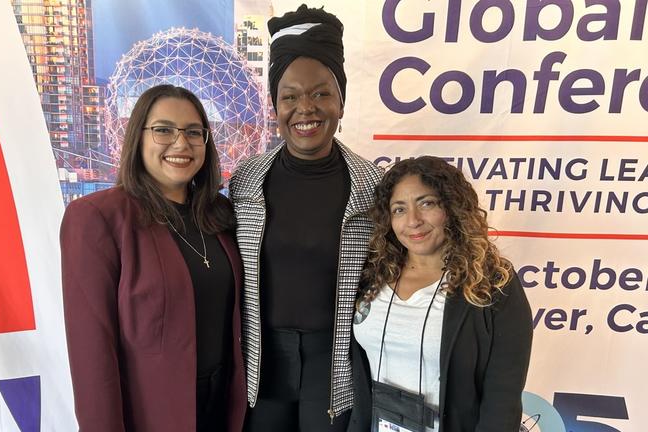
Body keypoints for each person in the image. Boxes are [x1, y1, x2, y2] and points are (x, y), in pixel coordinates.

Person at [229, 5, 383, 431]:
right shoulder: (246, 181)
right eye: (290, 96)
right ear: (275, 106)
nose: (305, 108)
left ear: (341, 101)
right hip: (261, 364)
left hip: (334, 363)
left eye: (320, 93)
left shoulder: (374, 186)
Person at [60, 84, 246, 432]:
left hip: (221, 408)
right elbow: (92, 355)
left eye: (194, 132)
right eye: (163, 130)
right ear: (138, 138)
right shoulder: (98, 218)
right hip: (151, 414)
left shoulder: (220, 214)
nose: (181, 143)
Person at [352, 156, 533, 431]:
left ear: (452, 207)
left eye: (427, 204)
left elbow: (503, 399)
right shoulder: (373, 275)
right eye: (399, 209)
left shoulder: (492, 283)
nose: (413, 221)